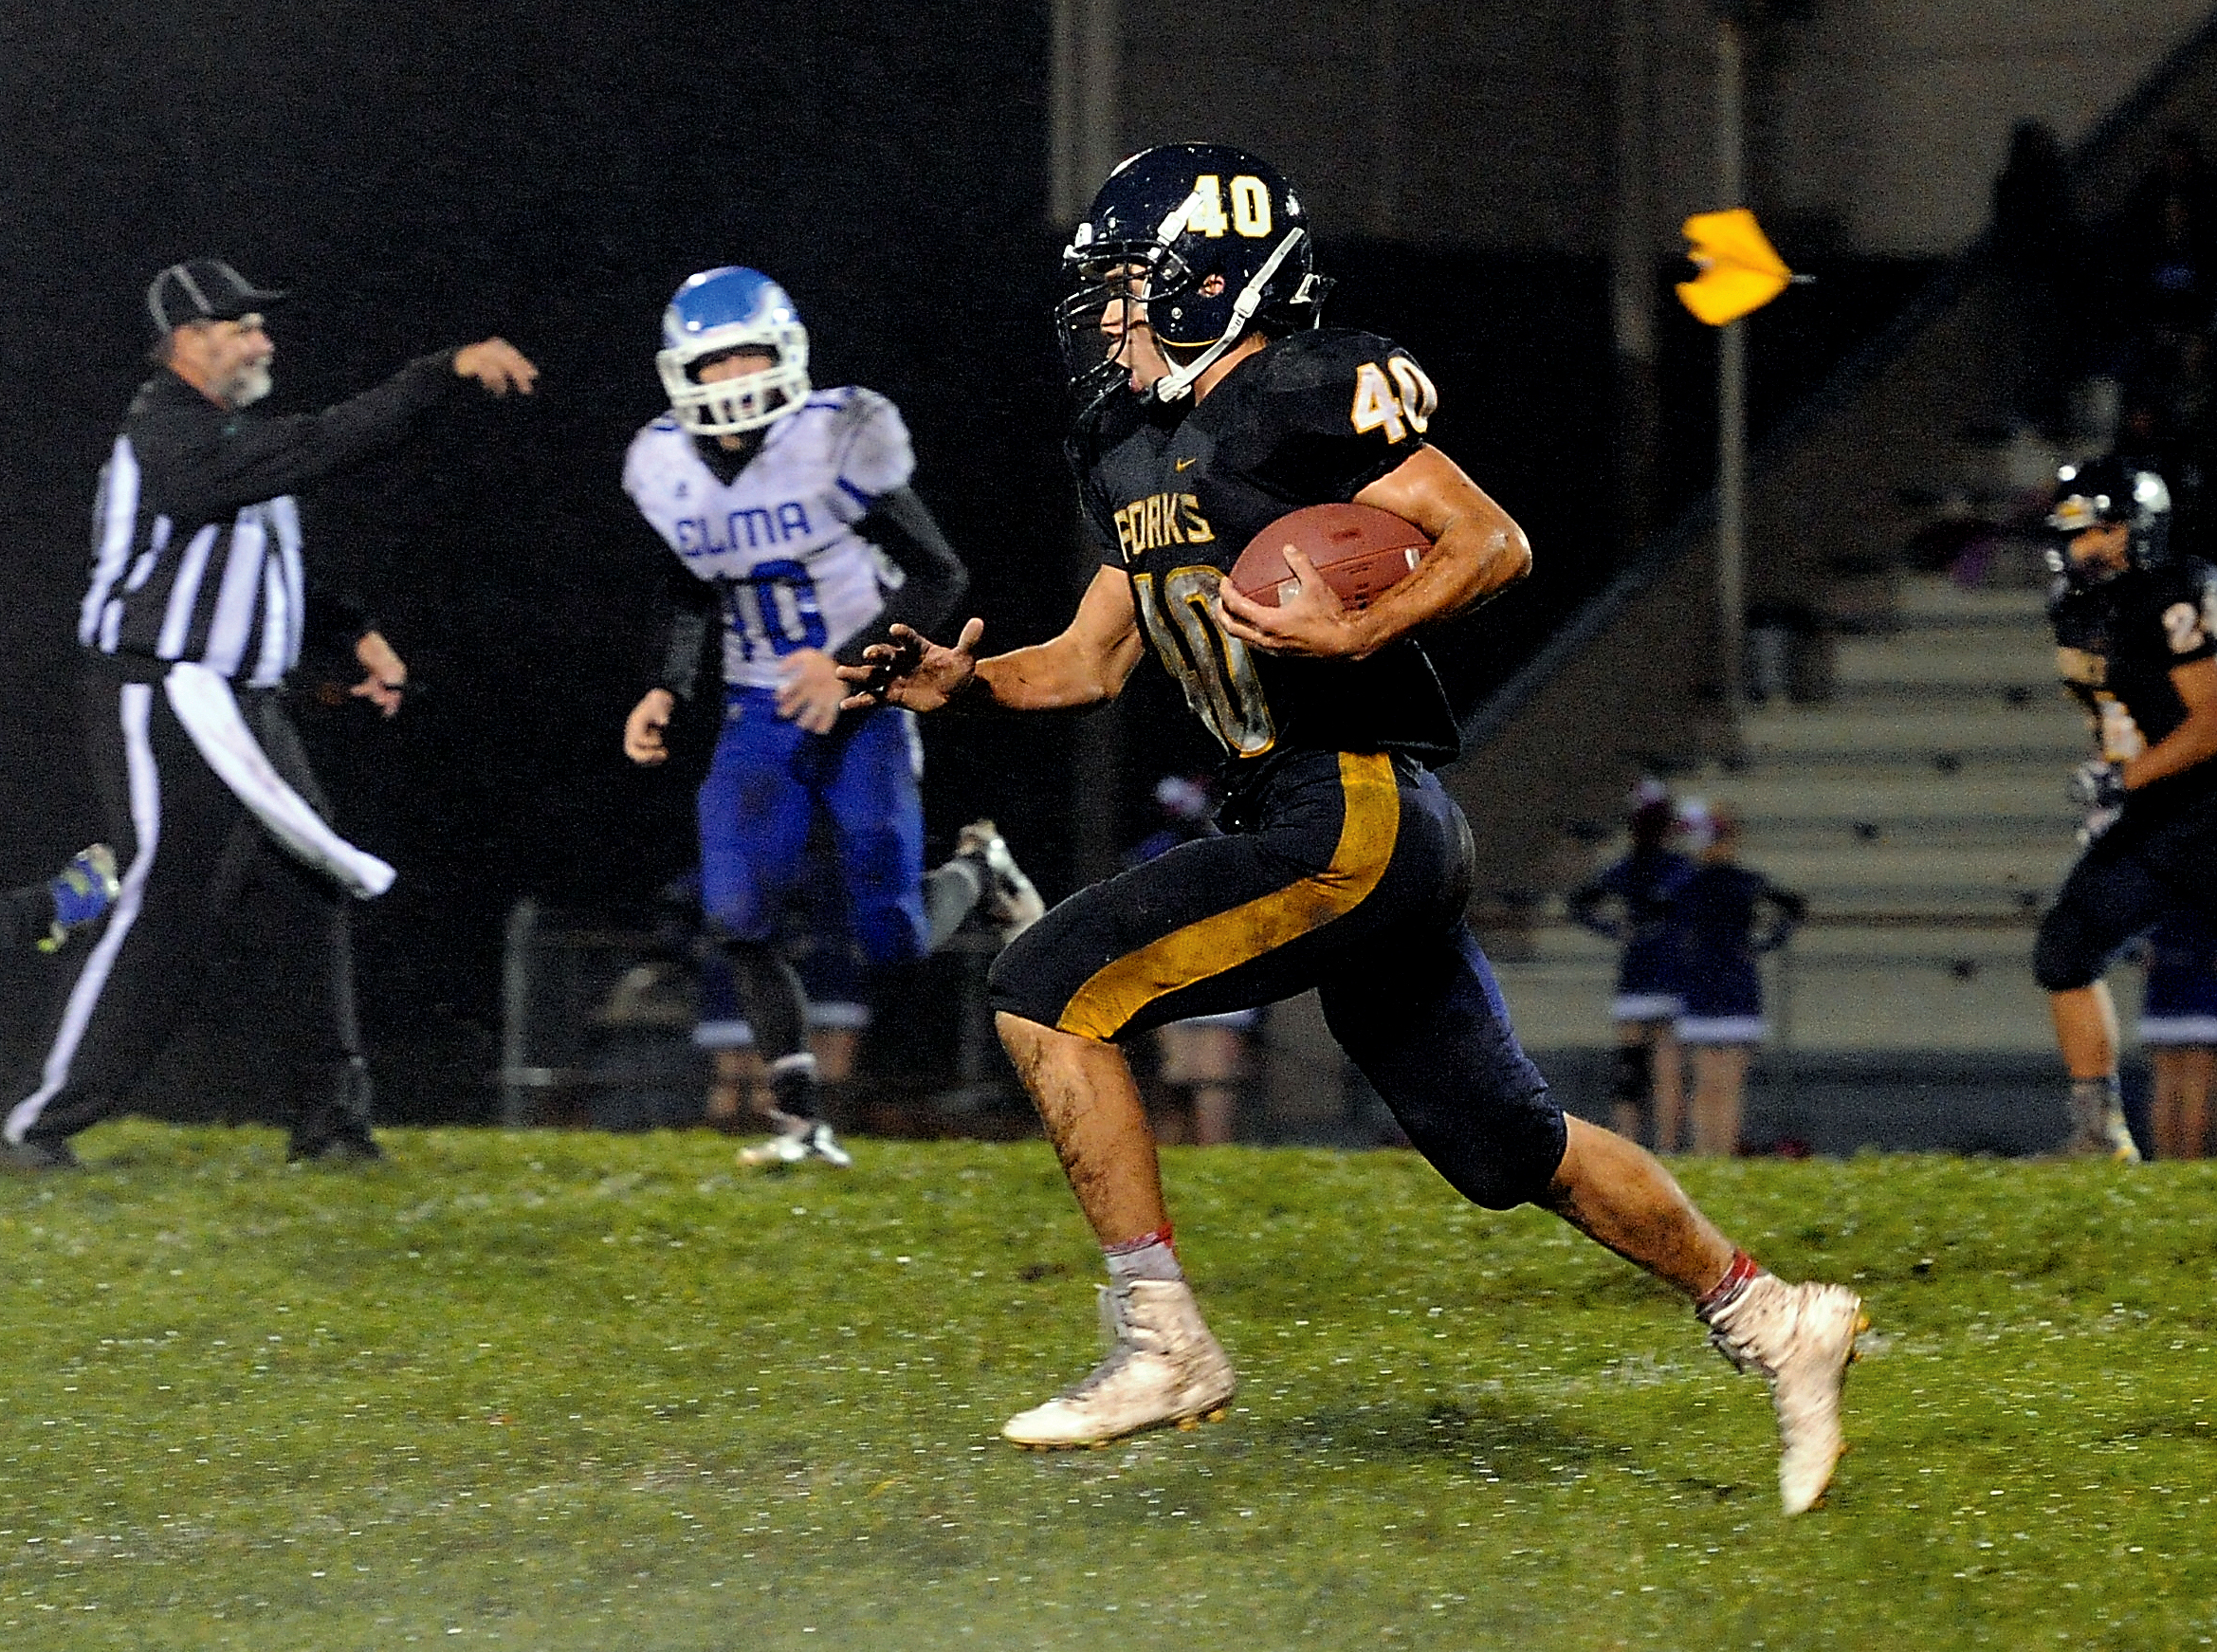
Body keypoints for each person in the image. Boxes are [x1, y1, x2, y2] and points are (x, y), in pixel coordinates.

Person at [843, 144, 1863, 1514]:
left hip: (1355, 799)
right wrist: (966, 682)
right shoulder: (1127, 441)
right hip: (1317, 809)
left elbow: (1488, 540)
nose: (1107, 317)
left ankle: (1162, 1340)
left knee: (1042, 988)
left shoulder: (1301, 389)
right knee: (1506, 1147)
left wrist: (1361, 621)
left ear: (1212, 277)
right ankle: (1772, 1317)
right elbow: (1089, 662)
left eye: (1133, 289)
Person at [3, 258, 538, 1170]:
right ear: (187, 342)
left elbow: (261, 559)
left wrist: (348, 631)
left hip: (241, 705)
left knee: (306, 893)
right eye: (241, 325)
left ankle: (331, 1127)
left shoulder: (220, 438)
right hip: (165, 696)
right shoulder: (165, 434)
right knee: (163, 906)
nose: (264, 340)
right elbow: (318, 447)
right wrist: (433, 375)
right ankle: (38, 1123)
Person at [620, 266, 1041, 1169]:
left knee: (889, 937)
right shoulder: (663, 465)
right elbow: (692, 584)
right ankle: (801, 1119)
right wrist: (667, 684)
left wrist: (848, 661)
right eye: (714, 363)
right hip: (758, 706)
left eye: (749, 358)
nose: (733, 380)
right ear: (680, 374)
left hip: (864, 705)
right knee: (737, 914)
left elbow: (939, 573)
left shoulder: (836, 443)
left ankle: (978, 871)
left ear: (786, 358)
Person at [2036, 455, 2217, 1160]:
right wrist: (2120, 783)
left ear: (2133, 530)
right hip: (2154, 812)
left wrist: (2124, 777)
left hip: (2206, 808)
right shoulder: (2079, 609)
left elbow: (2211, 722)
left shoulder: (2179, 592)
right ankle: (2099, 1135)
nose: (2077, 548)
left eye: (2094, 533)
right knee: (2065, 951)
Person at [1671, 800, 1805, 1157]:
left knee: (1711, 1083)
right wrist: (1766, 942)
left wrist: (1765, 942)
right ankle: (1716, 1156)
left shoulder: (1693, 884)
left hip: (1712, 984)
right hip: (1727, 983)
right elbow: (1793, 909)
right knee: (1720, 1084)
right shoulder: (1729, 883)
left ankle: (1710, 1156)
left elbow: (1792, 908)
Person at [1567, 782, 1695, 1150]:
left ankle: (1629, 1145)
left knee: (1631, 1068)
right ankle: (1669, 1148)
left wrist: (1613, 929)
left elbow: (1581, 902)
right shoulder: (1680, 869)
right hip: (1670, 974)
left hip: (1638, 974)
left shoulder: (1627, 868)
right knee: (1667, 1069)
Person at [2138, 909, 2217, 1159]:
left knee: (2165, 1086)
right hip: (2204, 996)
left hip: (2161, 997)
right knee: (2198, 1089)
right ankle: (2190, 1160)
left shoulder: (2157, 882)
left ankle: (2165, 1161)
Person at [0, 846, 119, 955]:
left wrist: (59, 934)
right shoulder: (82, 862)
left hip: (48, 916)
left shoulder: (109, 894)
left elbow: (86, 926)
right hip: (43, 901)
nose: (97, 849)